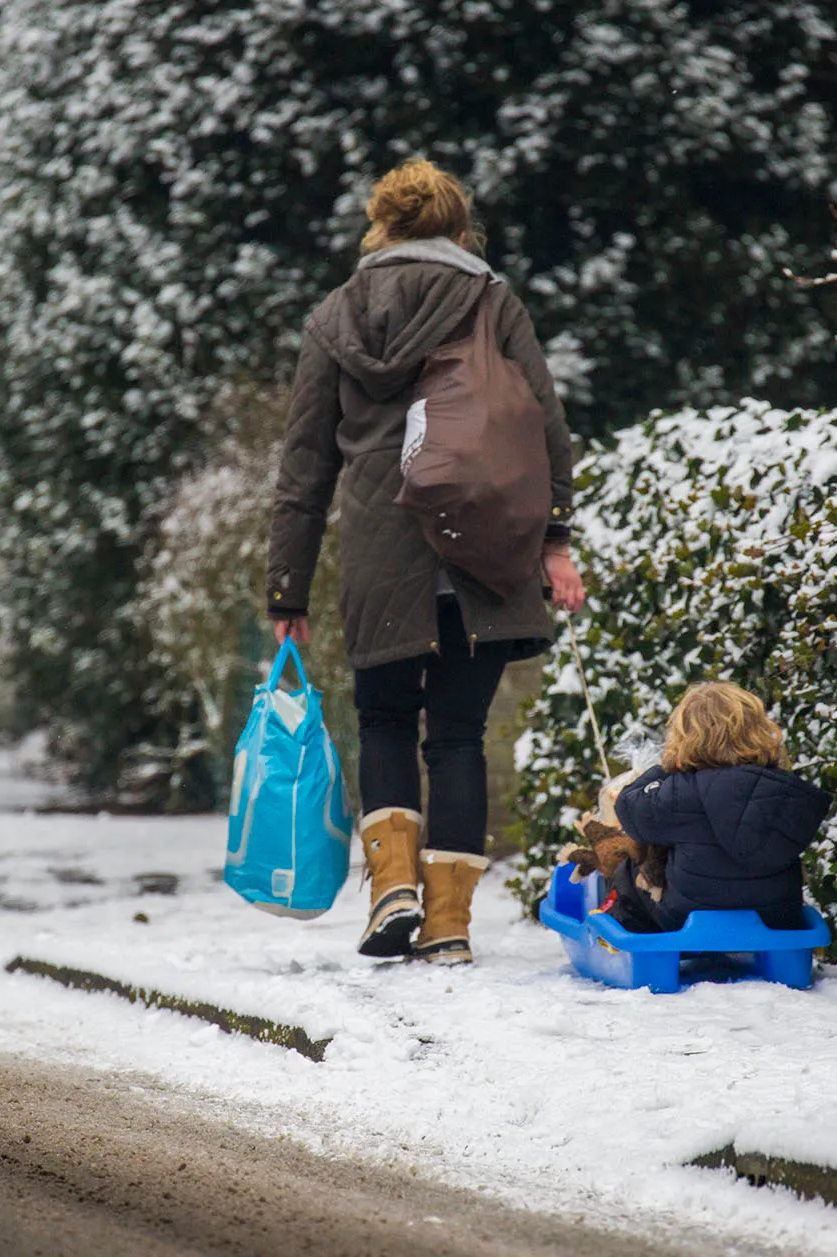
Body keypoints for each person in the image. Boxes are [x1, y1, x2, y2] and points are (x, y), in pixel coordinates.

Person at [266, 159, 584, 965]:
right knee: (458, 733)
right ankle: (448, 926)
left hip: (382, 550)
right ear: (455, 224)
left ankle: (393, 890)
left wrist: (287, 586)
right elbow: (543, 422)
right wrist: (554, 537)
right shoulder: (488, 300)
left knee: (381, 718)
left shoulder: (336, 316)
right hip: (480, 546)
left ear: (382, 225)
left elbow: (305, 465)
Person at [600, 682, 830, 934]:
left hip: (687, 916)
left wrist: (662, 769)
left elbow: (628, 807)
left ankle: (631, 933)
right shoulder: (783, 790)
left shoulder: (680, 789)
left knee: (630, 866)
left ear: (686, 739)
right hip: (777, 916)